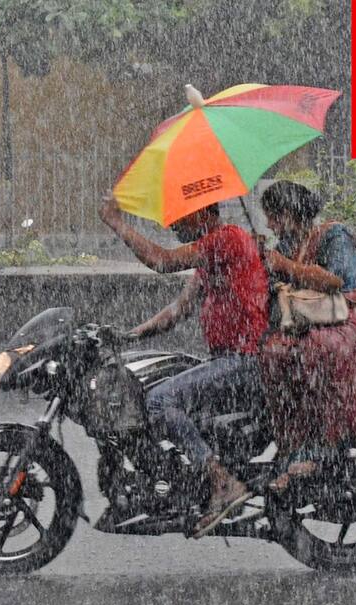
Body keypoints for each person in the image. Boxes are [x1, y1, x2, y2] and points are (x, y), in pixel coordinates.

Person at [100, 191, 269, 538]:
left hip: (245, 359)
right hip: (229, 359)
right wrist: (131, 336)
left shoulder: (226, 239)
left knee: (160, 400)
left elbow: (162, 261)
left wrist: (116, 222)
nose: (172, 224)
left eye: (179, 215)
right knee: (158, 385)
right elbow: (178, 310)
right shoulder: (212, 258)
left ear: (201, 212)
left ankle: (222, 480)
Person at [258, 181, 356, 491]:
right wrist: (260, 258)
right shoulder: (287, 245)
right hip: (305, 324)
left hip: (343, 323)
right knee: (273, 355)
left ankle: (323, 450)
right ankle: (291, 450)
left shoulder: (333, 235)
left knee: (317, 354)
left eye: (273, 217)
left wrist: (284, 265)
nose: (270, 225)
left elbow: (336, 280)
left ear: (289, 213)